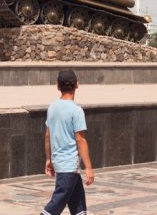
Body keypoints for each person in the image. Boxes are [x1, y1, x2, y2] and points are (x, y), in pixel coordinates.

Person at [42, 69, 94, 215]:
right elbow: (80, 139)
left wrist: (48, 159)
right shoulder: (76, 110)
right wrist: (88, 167)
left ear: (58, 86)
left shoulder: (52, 107)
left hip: (62, 162)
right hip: (68, 164)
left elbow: (47, 135)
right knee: (56, 203)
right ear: (77, 85)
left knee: (78, 205)